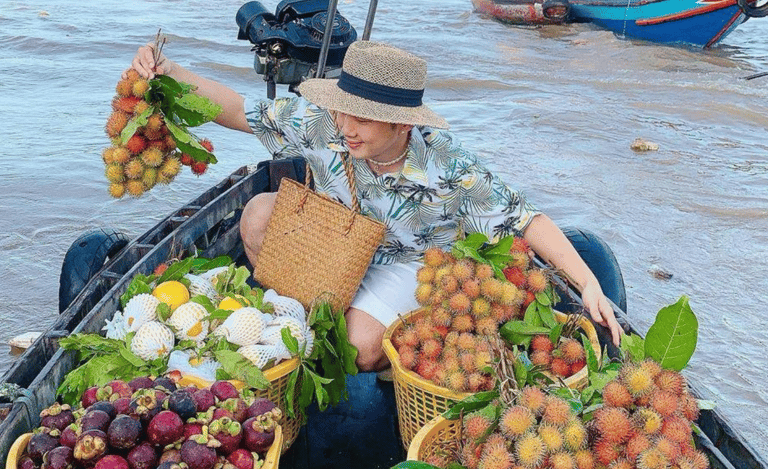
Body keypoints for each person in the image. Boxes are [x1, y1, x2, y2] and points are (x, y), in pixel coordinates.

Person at [127, 40, 623, 372]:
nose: (348, 127)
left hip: (403, 262)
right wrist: (168, 73)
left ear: (403, 125)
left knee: (358, 351)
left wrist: (588, 284)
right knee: (257, 212)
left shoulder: (449, 166)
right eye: (346, 109)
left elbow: (525, 218)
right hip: (332, 242)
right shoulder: (327, 123)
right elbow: (234, 109)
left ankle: (381, 348)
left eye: (365, 118)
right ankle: (293, 314)